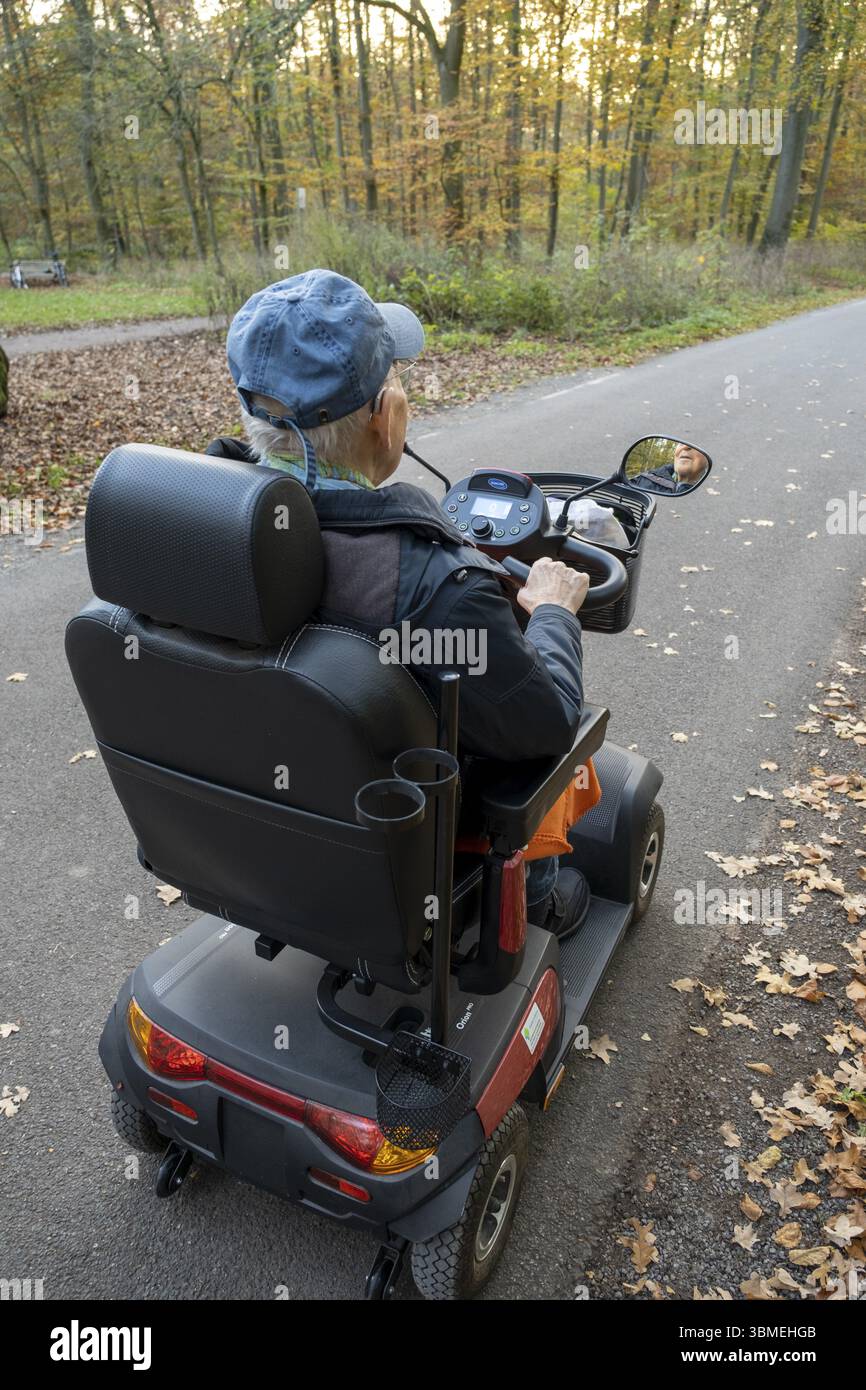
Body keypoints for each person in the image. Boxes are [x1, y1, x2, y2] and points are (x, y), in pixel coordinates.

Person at [208, 269, 592, 939]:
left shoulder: (194, 524)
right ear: (386, 418)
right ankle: (535, 894)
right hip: (401, 845)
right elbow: (547, 725)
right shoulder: (434, 590)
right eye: (398, 377)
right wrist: (554, 610)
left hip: (250, 827)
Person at [631, 440, 708, 493]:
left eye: (696, 444)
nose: (685, 446)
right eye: (681, 443)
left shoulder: (709, 494)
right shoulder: (643, 480)